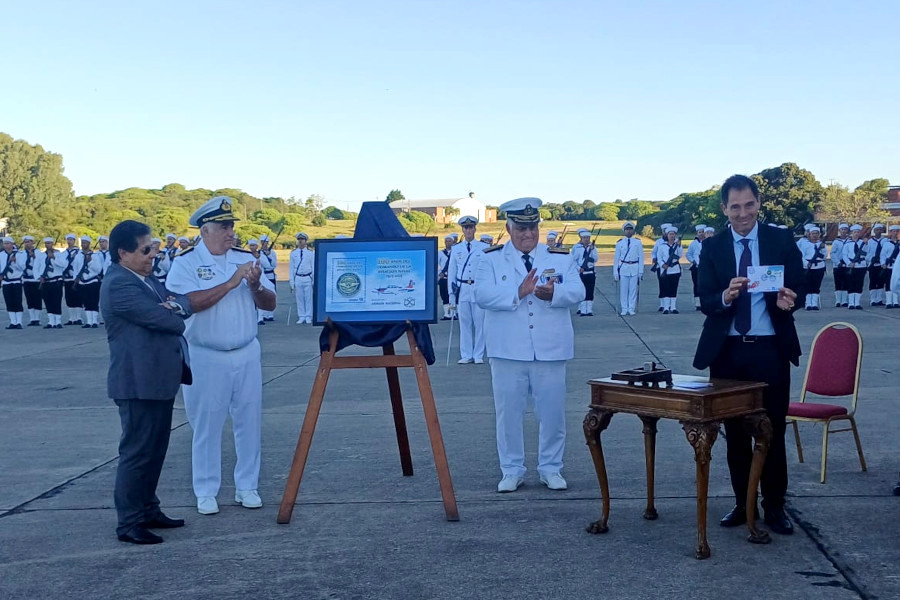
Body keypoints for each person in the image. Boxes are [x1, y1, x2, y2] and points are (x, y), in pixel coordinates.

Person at [693, 174, 803, 536]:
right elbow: (705, 298)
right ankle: (743, 503)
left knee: (772, 430)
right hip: (727, 352)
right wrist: (724, 298)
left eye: (749, 205)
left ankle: (775, 506)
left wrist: (791, 300)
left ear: (759, 204)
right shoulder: (712, 248)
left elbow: (799, 284)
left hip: (770, 349)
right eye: (735, 207)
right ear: (724, 208)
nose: (743, 214)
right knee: (735, 433)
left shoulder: (780, 239)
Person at [166, 196, 276, 516]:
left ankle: (247, 486)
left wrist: (255, 286)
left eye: (232, 226)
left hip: (246, 352)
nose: (231, 233)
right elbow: (189, 303)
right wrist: (231, 282)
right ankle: (205, 489)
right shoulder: (185, 263)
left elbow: (269, 304)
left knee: (248, 422)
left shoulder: (245, 258)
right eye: (224, 227)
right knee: (206, 425)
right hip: (205, 354)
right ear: (205, 231)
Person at [474, 197, 583, 493]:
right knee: (508, 413)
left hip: (550, 349)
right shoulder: (490, 259)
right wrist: (517, 292)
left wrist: (554, 295)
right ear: (509, 228)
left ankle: (551, 468)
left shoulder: (559, 257)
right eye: (521, 228)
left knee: (552, 414)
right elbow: (482, 295)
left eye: (532, 227)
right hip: (508, 350)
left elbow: (578, 290)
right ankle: (511, 469)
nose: (528, 234)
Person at [101, 219, 193, 545]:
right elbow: (167, 320)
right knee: (137, 454)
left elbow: (181, 303)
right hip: (137, 383)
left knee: (155, 452)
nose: (153, 253)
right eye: (145, 249)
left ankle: (149, 509)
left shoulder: (146, 279)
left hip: (157, 382)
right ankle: (129, 523)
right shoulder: (120, 285)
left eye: (153, 247)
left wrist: (174, 307)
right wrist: (172, 311)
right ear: (123, 252)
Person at [448, 215, 488, 364]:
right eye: (466, 228)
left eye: (471, 227)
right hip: (463, 288)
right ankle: (466, 354)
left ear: (475, 229)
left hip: (478, 287)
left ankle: (478, 354)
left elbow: (486, 270)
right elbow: (452, 272)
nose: (469, 230)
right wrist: (451, 295)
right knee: (464, 323)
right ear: (462, 230)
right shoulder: (456, 248)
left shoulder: (483, 248)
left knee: (480, 323)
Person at [613, 222, 643, 316]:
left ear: (633, 231)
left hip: (634, 267)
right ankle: (624, 308)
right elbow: (616, 258)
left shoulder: (638, 242)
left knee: (633, 290)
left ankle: (631, 308)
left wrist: (641, 271)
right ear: (624, 231)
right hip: (624, 268)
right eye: (627, 229)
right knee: (624, 290)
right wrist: (615, 271)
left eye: (630, 229)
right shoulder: (620, 243)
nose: (629, 231)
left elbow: (641, 258)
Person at [75, 235, 104, 328]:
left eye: (85, 243)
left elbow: (98, 269)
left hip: (93, 281)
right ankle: (89, 321)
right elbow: (76, 268)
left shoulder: (95, 256)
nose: (84, 244)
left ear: (89, 244)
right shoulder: (78, 256)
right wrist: (76, 278)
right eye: (82, 242)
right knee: (86, 302)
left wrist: (90, 262)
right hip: (83, 281)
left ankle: (94, 321)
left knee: (94, 301)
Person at [39, 237, 66, 328]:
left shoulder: (58, 254)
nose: (48, 245)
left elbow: (63, 265)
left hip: (56, 281)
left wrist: (54, 258)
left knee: (57, 301)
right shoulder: (42, 255)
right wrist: (40, 277)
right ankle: (51, 321)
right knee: (48, 301)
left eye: (49, 243)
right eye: (46, 243)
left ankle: (57, 321)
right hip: (46, 281)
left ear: (52, 244)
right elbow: (38, 267)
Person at [571, 228, 598, 316]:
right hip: (582, 272)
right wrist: (579, 268)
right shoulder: (578, 248)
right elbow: (573, 261)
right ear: (581, 239)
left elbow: (595, 259)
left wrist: (592, 250)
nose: (586, 239)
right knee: (582, 291)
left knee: (590, 291)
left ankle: (589, 309)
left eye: (588, 237)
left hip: (590, 272)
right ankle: (583, 310)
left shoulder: (593, 248)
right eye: (584, 238)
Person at [289, 232, 314, 324]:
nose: (300, 241)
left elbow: (313, 267)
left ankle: (308, 316)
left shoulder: (310, 253)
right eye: (299, 239)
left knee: (308, 298)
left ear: (306, 241)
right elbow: (291, 268)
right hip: (298, 277)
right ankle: (301, 316)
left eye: (302, 239)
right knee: (299, 298)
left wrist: (313, 280)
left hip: (308, 277)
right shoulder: (293, 253)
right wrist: (291, 281)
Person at [0, 236, 26, 329]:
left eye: (8, 243)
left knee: (17, 302)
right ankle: (13, 322)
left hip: (16, 281)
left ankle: (19, 322)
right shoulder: (1, 255)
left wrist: (15, 262)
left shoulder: (19, 254)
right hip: (6, 282)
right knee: (9, 302)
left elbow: (22, 268)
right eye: (5, 244)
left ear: (12, 244)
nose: (6, 245)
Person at [656, 227, 682, 314]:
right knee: (666, 288)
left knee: (673, 288)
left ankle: (673, 307)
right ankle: (666, 307)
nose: (672, 236)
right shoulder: (662, 246)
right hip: (665, 269)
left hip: (675, 269)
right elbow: (659, 258)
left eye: (673, 234)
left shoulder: (677, 245)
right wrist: (663, 265)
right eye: (670, 234)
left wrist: (678, 246)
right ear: (667, 235)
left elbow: (680, 255)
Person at [843, 224, 869, 310]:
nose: (856, 234)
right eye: (855, 232)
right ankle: (851, 303)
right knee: (851, 284)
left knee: (859, 284)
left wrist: (866, 244)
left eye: (858, 232)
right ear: (851, 233)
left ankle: (857, 303)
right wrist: (849, 263)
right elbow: (844, 255)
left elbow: (867, 253)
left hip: (861, 266)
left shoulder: (863, 243)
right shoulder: (847, 244)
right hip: (851, 265)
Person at [21, 235, 44, 326]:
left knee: (37, 299)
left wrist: (34, 257)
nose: (27, 244)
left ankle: (37, 319)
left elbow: (41, 264)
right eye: (26, 242)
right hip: (26, 279)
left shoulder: (38, 253)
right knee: (29, 299)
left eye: (29, 242)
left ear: (32, 242)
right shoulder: (21, 254)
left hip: (36, 280)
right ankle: (32, 319)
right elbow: (21, 265)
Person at [802, 226, 827, 310]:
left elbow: (824, 256)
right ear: (809, 234)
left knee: (816, 286)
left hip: (819, 267)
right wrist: (806, 263)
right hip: (808, 266)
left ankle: (814, 303)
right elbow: (801, 256)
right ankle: (808, 304)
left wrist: (823, 249)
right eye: (813, 234)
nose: (815, 235)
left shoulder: (822, 244)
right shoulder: (805, 244)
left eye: (816, 233)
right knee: (808, 286)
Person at [61, 233, 84, 325]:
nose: (69, 241)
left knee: (78, 298)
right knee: (69, 298)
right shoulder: (63, 253)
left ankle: (78, 318)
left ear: (74, 241)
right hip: (67, 279)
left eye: (71, 240)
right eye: (68, 240)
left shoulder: (79, 253)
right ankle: (72, 318)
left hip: (75, 278)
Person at [651, 223, 672, 311]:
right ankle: (662, 304)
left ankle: (671, 304)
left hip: (671, 267)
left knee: (671, 286)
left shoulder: (675, 241)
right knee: (662, 285)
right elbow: (654, 252)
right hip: (661, 266)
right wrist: (654, 259)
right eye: (664, 231)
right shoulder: (658, 242)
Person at [686, 225, 706, 310]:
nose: (701, 234)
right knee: (697, 284)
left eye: (702, 232)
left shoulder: (709, 241)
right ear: (697, 233)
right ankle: (698, 303)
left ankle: (705, 301)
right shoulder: (693, 243)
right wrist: (693, 261)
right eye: (699, 232)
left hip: (707, 267)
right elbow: (688, 254)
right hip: (696, 267)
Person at [258, 234, 277, 322]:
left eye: (265, 242)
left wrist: (269, 255)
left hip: (270, 275)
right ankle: (263, 314)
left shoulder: (272, 252)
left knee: (272, 293)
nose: (264, 244)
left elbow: (273, 265)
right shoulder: (259, 253)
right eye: (262, 242)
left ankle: (270, 314)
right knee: (262, 294)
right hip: (263, 276)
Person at [830, 223, 850, 307]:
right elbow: (832, 253)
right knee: (838, 282)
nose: (844, 231)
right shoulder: (836, 242)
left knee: (846, 283)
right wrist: (837, 262)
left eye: (845, 229)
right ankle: (838, 300)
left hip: (847, 264)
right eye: (842, 229)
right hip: (838, 265)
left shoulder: (850, 241)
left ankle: (844, 300)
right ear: (839, 231)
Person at [867, 223, 886, 306]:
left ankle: (879, 299)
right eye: (877, 230)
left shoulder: (885, 241)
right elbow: (867, 253)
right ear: (874, 231)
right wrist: (870, 259)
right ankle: (873, 299)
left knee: (881, 282)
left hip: (881, 264)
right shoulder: (869, 241)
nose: (878, 231)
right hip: (872, 264)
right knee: (873, 282)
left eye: (880, 230)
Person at [881, 225, 900, 308]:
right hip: (889, 266)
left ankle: (895, 301)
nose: (895, 233)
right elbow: (883, 255)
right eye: (893, 231)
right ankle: (889, 301)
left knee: (896, 283)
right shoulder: (886, 244)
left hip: (897, 267)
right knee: (888, 283)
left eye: (897, 231)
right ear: (891, 232)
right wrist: (883, 263)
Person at [437, 234, 454, 320]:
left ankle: (454, 313)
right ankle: (447, 314)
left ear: (453, 242)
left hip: (453, 278)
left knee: (453, 296)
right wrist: (440, 273)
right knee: (444, 296)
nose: (448, 243)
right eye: (446, 241)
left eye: (449, 241)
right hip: (444, 278)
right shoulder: (440, 253)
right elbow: (437, 264)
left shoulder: (456, 252)